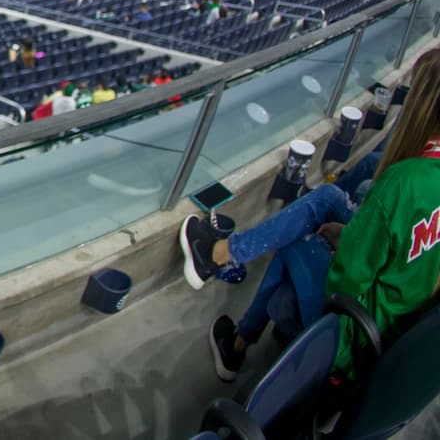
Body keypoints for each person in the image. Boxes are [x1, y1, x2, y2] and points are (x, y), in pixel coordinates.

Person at [181, 48, 440, 382]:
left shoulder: (404, 183)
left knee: (297, 239)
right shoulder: (414, 181)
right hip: (395, 317)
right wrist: (348, 234)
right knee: (326, 199)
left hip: (356, 331)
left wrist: (340, 242)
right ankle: (232, 309)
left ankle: (229, 304)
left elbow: (348, 280)